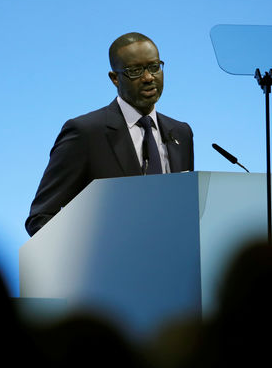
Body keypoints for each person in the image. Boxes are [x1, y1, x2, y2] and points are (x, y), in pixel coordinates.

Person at [26, 32, 194, 236]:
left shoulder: (181, 133)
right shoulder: (85, 133)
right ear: (115, 78)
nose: (149, 78)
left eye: (154, 67)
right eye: (135, 71)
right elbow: (41, 217)